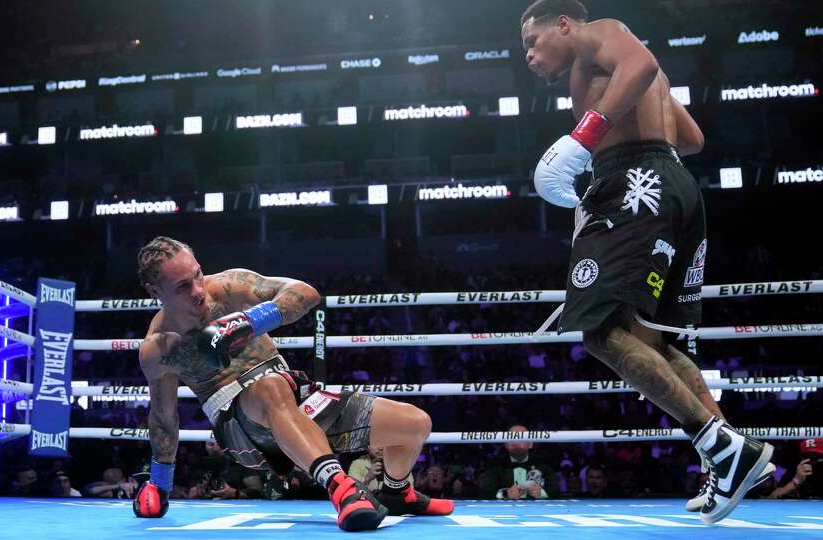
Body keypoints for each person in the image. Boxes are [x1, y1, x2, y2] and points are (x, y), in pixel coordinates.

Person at [521, 0, 773, 523]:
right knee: (655, 339)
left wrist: (586, 138)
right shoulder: (616, 62)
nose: (529, 55)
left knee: (599, 329)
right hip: (674, 182)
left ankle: (721, 447)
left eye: (532, 41)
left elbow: (642, 67)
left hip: (635, 186)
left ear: (563, 24)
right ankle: (729, 456)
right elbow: (693, 138)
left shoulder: (601, 35)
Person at [131, 237, 452, 531]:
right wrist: (159, 484)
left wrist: (249, 322)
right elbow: (164, 418)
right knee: (270, 387)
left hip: (294, 395)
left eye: (198, 275)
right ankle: (341, 488)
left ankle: (398, 492)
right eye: (183, 286)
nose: (198, 290)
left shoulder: (228, 288)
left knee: (415, 425)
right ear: (154, 291)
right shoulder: (159, 348)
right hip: (240, 428)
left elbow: (305, 293)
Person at [477, 425, 557, 500]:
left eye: (521, 437)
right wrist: (505, 494)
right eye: (511, 438)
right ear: (506, 445)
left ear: (530, 444)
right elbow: (485, 491)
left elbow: (556, 489)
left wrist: (541, 493)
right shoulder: (495, 465)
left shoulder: (543, 464)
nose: (516, 440)